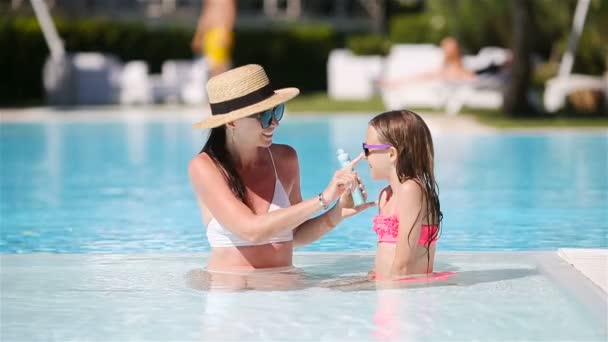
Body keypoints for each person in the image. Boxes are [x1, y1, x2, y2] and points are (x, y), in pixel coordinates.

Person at [187, 64, 375, 289]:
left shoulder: (285, 159)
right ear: (232, 121)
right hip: (229, 291)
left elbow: (294, 234)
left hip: (283, 286)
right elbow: (251, 230)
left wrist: (337, 213)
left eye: (277, 111)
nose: (275, 122)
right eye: (265, 115)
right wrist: (323, 198)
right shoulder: (205, 167)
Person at [363, 110, 443, 280]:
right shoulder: (386, 195)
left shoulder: (412, 190)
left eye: (367, 149)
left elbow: (403, 264)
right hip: (389, 288)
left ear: (391, 154)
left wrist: (385, 291)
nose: (364, 157)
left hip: (407, 293)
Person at [379, 36, 476, 89]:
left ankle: (394, 82)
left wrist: (449, 75)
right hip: (439, 80)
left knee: (419, 77)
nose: (445, 50)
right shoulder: (446, 63)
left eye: (447, 48)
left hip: (446, 83)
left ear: (455, 49)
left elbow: (469, 76)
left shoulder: (460, 64)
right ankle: (394, 82)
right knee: (419, 76)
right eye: (444, 47)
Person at [191, 0, 236, 77]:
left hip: (220, 32)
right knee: (209, 65)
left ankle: (223, 87)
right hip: (209, 33)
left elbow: (230, 11)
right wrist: (199, 35)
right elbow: (206, 15)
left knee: (220, 66)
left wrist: (226, 32)